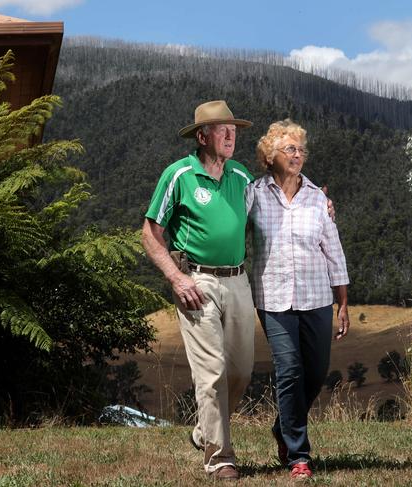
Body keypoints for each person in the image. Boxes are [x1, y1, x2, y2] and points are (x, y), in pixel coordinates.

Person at [141, 100, 256, 481]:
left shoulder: (240, 175)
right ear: (202, 136)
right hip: (197, 281)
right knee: (212, 373)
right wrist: (176, 278)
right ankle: (219, 457)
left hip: (239, 280)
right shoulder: (179, 175)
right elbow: (150, 235)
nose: (230, 135)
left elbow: (272, 210)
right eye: (222, 130)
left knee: (241, 371)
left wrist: (319, 203)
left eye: (233, 129)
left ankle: (205, 430)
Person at [246, 119, 350, 481]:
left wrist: (343, 302)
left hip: (317, 296)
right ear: (269, 154)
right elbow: (230, 229)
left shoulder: (317, 198)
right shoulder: (253, 194)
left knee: (316, 371)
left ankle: (282, 426)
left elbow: (333, 250)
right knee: (289, 369)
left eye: (301, 150)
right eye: (290, 149)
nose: (298, 155)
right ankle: (298, 454)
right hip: (272, 296)